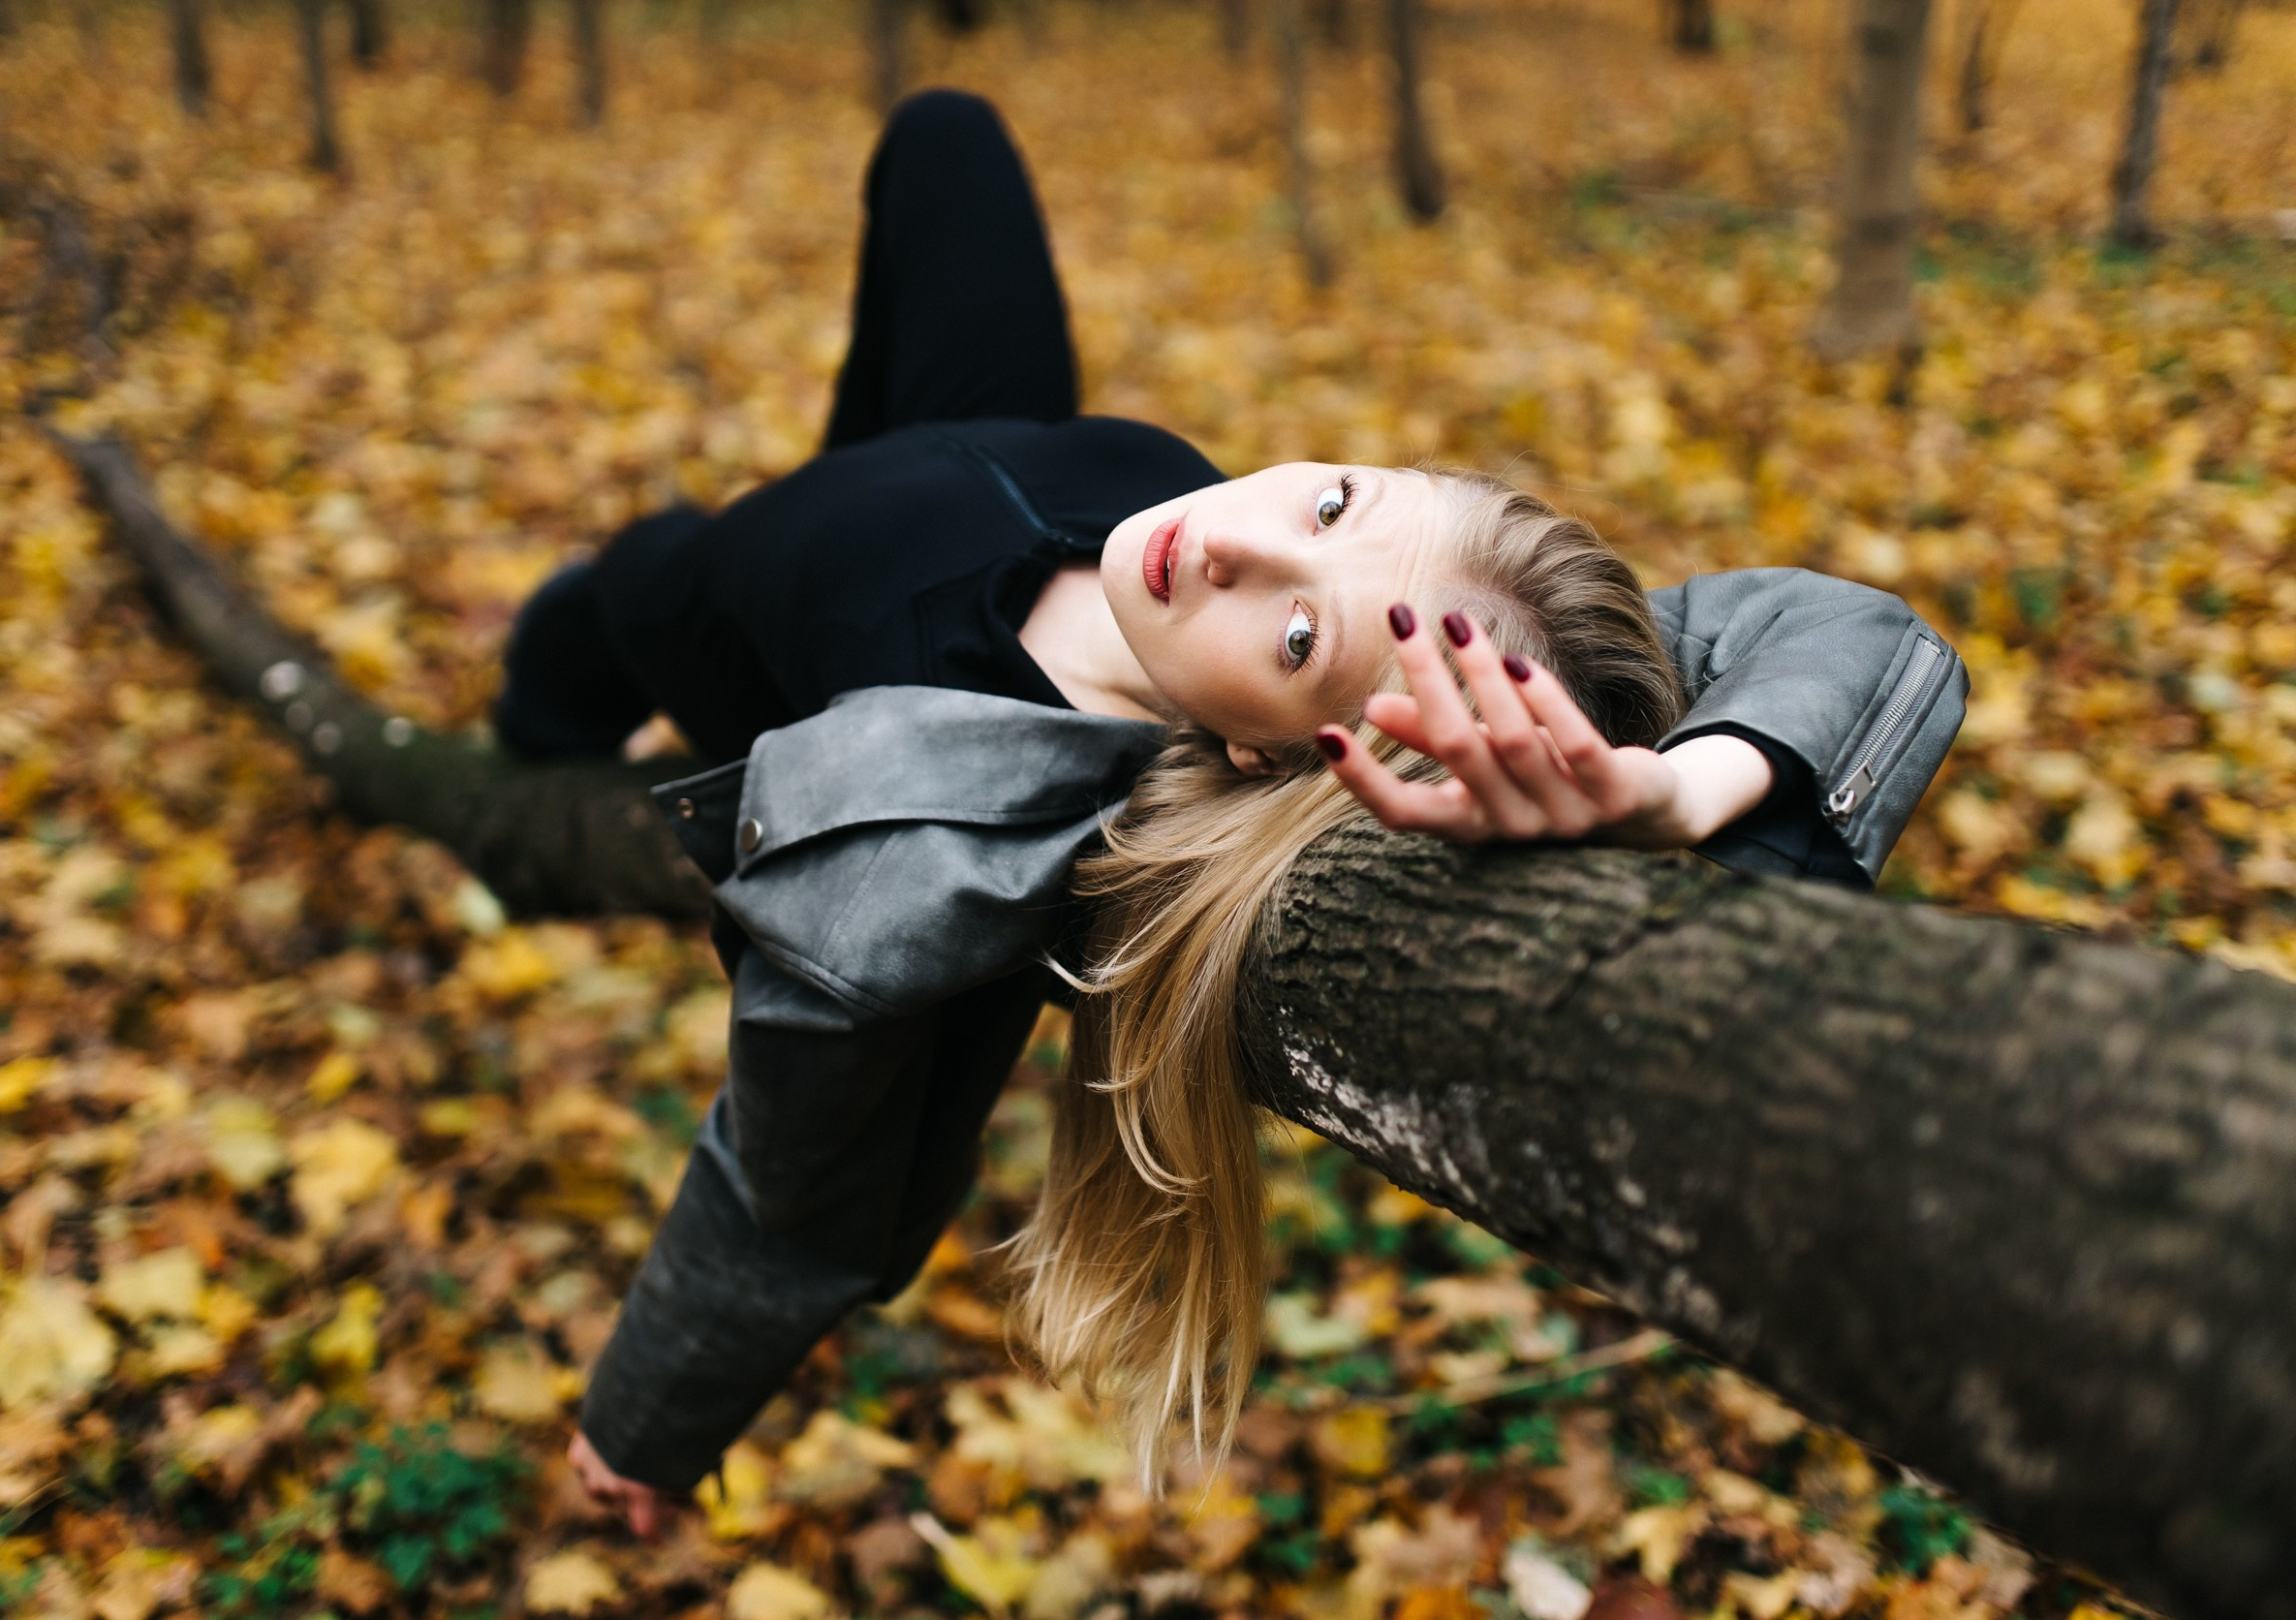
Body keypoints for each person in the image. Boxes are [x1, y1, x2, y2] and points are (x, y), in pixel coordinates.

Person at [510, 90, 1969, 1534]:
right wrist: (1685, 781)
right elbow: (1857, 636)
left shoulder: (938, 819)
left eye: (1293, 643)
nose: (1233, 542)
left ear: (1287, 754)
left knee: (602, 601)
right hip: (972, 432)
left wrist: (648, 1418)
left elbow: (804, 1180)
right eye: (1333, 505)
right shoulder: (1346, 602)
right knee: (944, 129)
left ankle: (530, 724)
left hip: (718, 601)